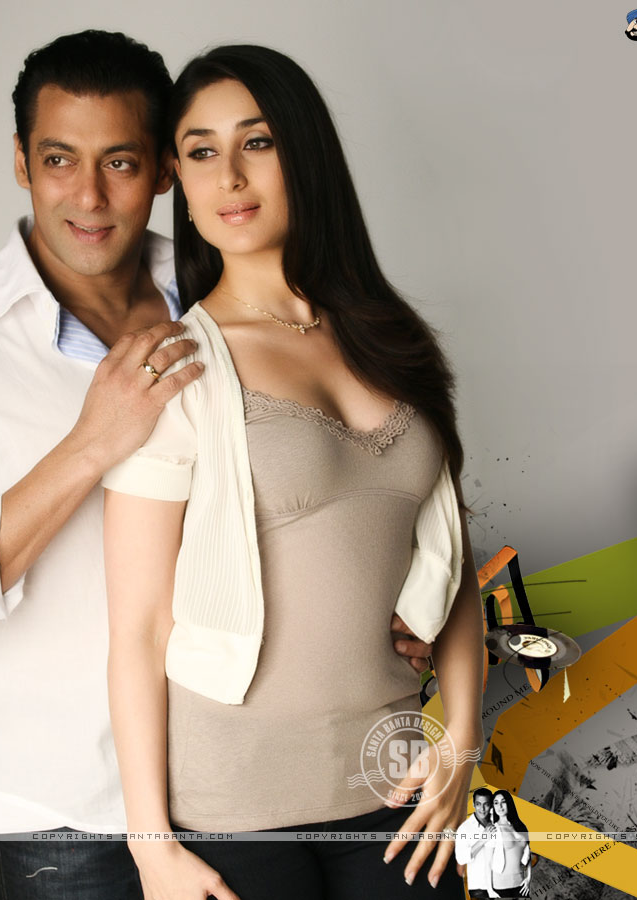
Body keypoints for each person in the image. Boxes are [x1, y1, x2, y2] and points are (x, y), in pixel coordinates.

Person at [0, 31, 440, 899]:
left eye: (121, 163)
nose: (89, 195)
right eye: (59, 160)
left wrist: (393, 610)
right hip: (77, 817)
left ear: (165, 172)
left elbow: (333, 489)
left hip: (258, 786)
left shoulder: (228, 285)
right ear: (22, 163)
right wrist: (91, 443)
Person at [101, 44, 486, 900]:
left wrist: (461, 741)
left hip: (396, 787)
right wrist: (151, 847)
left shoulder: (394, 341)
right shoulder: (173, 367)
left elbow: (451, 562)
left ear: (305, 153)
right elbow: (138, 629)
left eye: (258, 142)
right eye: (201, 151)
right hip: (232, 810)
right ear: (178, 181)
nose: (230, 176)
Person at [455, 789, 502, 899]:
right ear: (473, 805)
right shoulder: (464, 828)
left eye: (486, 804)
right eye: (478, 804)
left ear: (491, 805)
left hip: (504, 884)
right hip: (480, 888)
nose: (482, 809)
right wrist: (483, 839)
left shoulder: (499, 821)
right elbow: (461, 858)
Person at [489, 790, 533, 897]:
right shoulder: (493, 829)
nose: (500, 806)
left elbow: (528, 854)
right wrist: (489, 889)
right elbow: (487, 861)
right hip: (501, 886)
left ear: (509, 803)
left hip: (521, 884)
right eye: (496, 803)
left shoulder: (520, 826)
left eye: (503, 802)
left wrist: (528, 878)